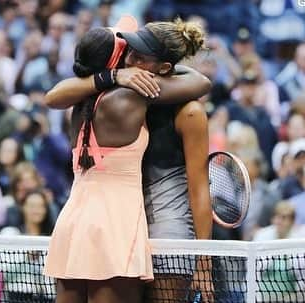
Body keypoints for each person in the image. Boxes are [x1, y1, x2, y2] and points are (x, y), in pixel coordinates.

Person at [43, 16, 211, 303]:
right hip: (117, 226)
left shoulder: (83, 100)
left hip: (87, 223)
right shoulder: (130, 95)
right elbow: (201, 81)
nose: (131, 61)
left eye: (139, 56)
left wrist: (205, 262)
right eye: (127, 53)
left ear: (163, 68)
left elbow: (53, 96)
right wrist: (123, 76)